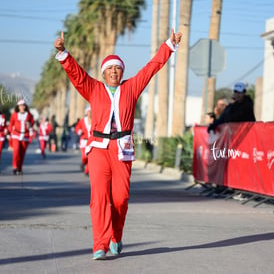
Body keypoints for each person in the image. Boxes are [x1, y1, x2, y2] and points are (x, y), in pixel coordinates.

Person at [54, 29, 182, 260]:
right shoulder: (93, 88)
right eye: (109, 69)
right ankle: (100, 244)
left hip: (122, 148)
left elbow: (152, 67)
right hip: (98, 149)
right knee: (100, 197)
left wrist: (169, 46)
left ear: (122, 71)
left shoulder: (131, 87)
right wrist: (64, 54)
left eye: (117, 68)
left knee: (120, 199)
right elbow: (77, 75)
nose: (114, 71)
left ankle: (116, 235)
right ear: (103, 73)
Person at [8, 99, 34, 175]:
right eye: (20, 105)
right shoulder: (14, 115)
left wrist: (30, 130)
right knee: (16, 150)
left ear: (25, 106)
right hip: (16, 135)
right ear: (18, 106)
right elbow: (10, 125)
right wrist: (8, 134)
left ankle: (19, 168)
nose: (22, 107)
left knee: (22, 153)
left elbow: (32, 124)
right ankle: (15, 166)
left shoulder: (29, 115)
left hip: (25, 136)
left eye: (23, 105)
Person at [75, 107, 92, 175]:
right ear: (86, 113)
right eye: (89, 111)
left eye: (91, 111)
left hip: (91, 141)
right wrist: (79, 131)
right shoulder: (82, 121)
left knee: (90, 157)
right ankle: (83, 162)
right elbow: (77, 128)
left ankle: (87, 171)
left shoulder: (95, 120)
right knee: (84, 156)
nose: (90, 113)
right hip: (84, 141)